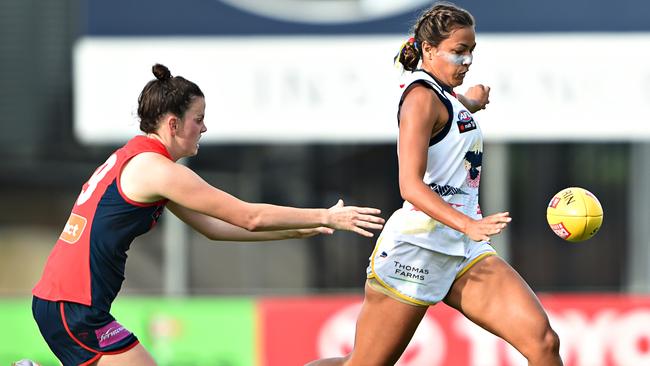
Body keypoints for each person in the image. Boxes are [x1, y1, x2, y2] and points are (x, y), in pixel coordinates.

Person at [31, 63, 385, 366]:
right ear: (173, 124)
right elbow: (249, 217)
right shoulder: (158, 170)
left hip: (64, 302)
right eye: (198, 119)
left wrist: (296, 231)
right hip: (74, 306)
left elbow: (215, 228)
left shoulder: (142, 161)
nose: (203, 128)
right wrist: (325, 216)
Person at [307, 2, 563, 366]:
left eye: (472, 51)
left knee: (543, 342)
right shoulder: (419, 99)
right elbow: (409, 186)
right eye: (459, 51)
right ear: (429, 50)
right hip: (418, 247)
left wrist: (470, 102)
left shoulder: (443, 96)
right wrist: (469, 224)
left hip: (461, 250)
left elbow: (450, 119)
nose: (468, 60)